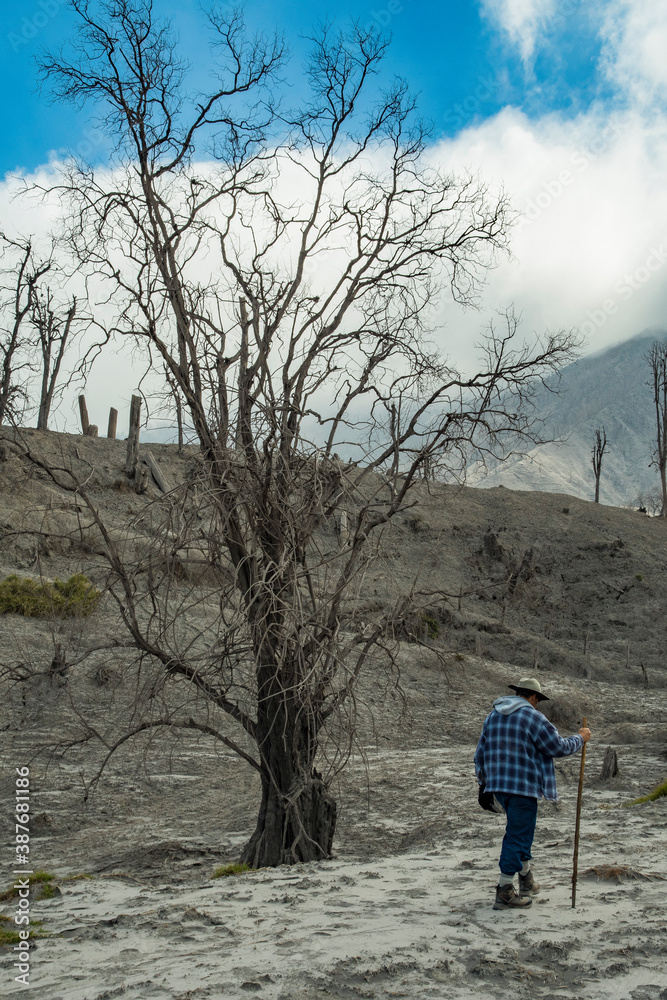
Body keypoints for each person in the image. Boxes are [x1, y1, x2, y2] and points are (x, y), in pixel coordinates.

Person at [474, 676, 591, 910]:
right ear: (534, 697)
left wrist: (483, 782)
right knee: (518, 835)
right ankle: (505, 891)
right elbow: (558, 747)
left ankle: (526, 880)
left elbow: (480, 753)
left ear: (518, 692)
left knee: (520, 832)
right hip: (523, 787)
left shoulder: (493, 716)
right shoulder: (533, 717)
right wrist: (581, 738)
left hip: (497, 787)